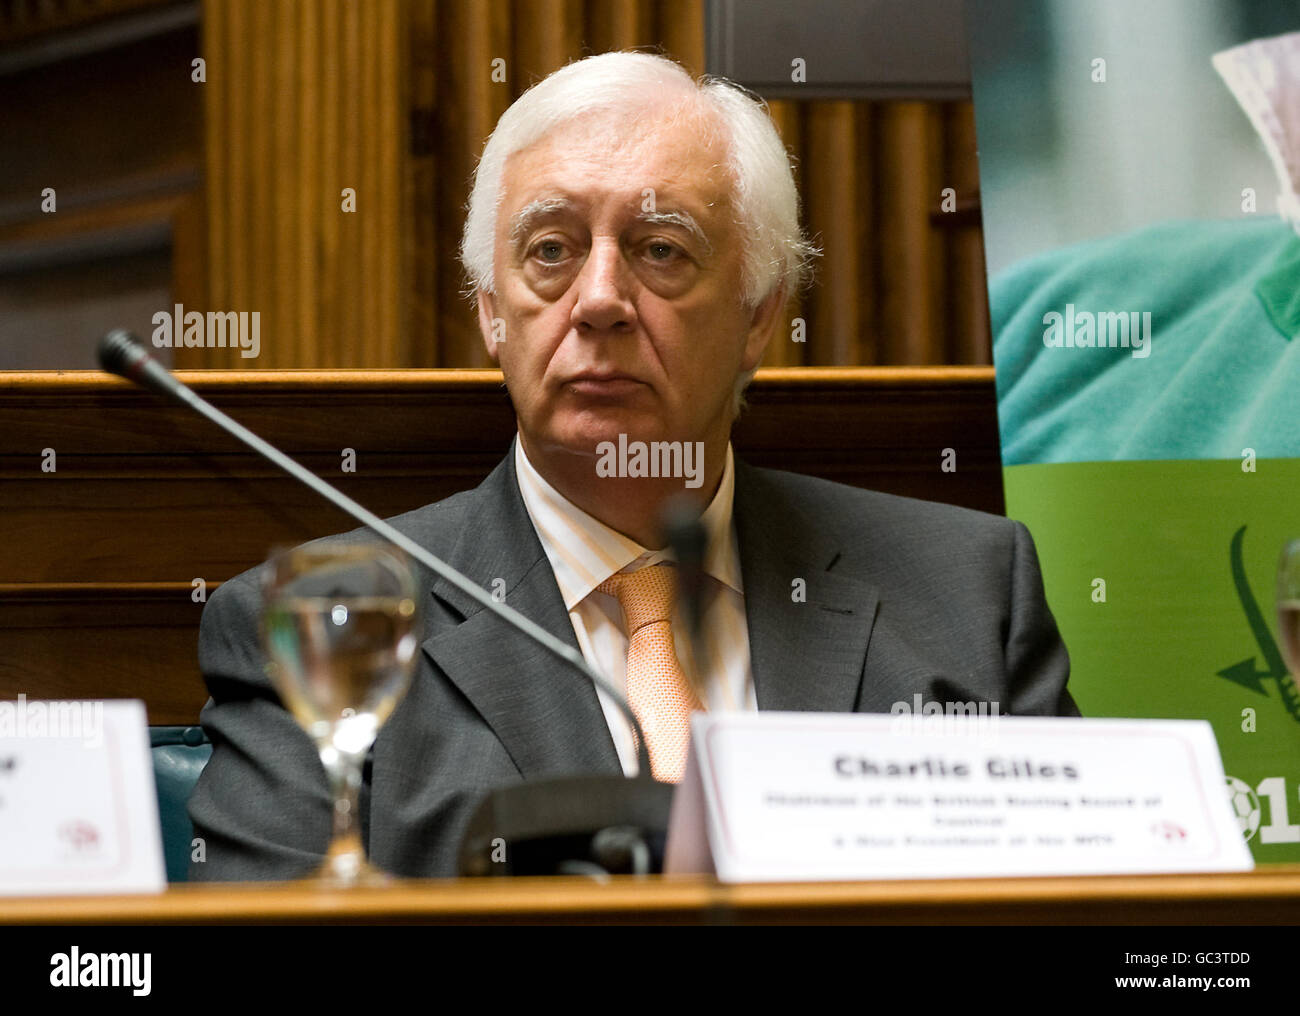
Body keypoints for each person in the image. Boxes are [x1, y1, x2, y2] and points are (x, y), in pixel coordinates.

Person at [189, 51, 1077, 881]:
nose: (603, 299)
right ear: (493, 315)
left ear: (760, 317)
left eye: (661, 249)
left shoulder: (968, 596)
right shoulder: (323, 635)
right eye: (550, 251)